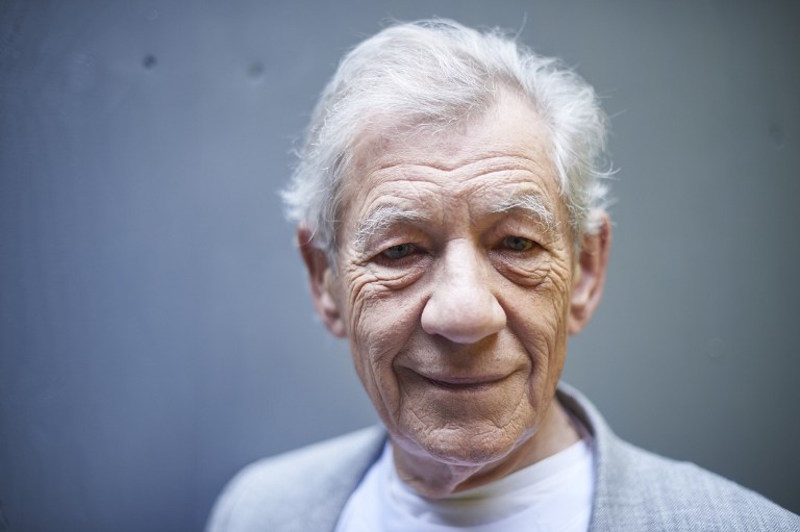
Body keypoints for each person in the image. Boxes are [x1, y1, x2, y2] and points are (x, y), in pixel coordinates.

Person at [206, 19, 799, 532]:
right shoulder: (255, 512)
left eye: (516, 243)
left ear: (585, 270)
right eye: (400, 251)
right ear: (325, 279)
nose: (464, 314)